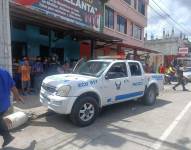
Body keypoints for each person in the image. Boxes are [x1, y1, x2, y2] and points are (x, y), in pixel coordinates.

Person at [0, 68, 24, 148]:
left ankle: (7, 137)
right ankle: (7, 137)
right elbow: (12, 87)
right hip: (5, 104)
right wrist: (18, 97)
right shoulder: (4, 72)